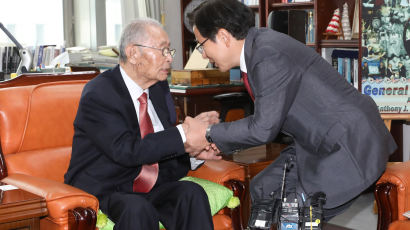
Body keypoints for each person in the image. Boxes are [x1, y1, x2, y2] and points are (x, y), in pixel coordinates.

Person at [184, 0, 397, 224]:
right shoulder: (258, 49)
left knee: (296, 212)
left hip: (349, 144)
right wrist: (216, 139)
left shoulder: (267, 55)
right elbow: (267, 118)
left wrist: (209, 133)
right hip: (317, 142)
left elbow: (263, 128)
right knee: (264, 189)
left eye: (202, 45)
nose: (204, 55)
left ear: (224, 36)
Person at [64, 18, 220, 230]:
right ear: (133, 53)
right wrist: (184, 133)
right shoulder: (100, 93)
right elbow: (127, 151)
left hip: (150, 186)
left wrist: (194, 153)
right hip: (107, 187)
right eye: (162, 50)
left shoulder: (158, 88)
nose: (169, 58)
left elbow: (161, 147)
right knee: (137, 209)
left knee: (191, 194)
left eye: (169, 51)